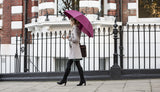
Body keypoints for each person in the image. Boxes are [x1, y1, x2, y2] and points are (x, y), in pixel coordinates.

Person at [57, 17, 86, 86]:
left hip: (74, 50)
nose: (70, 22)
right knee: (77, 66)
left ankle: (64, 80)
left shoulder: (75, 28)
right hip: (74, 50)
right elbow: (75, 38)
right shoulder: (75, 28)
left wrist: (69, 38)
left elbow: (76, 39)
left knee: (69, 65)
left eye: (70, 21)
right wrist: (69, 37)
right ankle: (82, 80)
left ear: (73, 21)